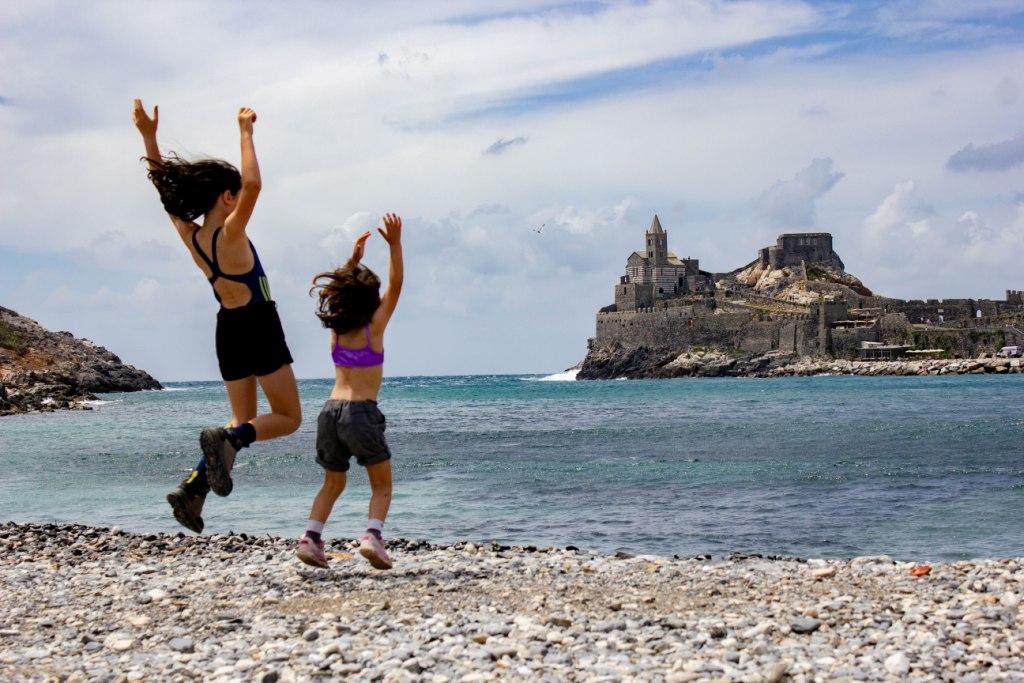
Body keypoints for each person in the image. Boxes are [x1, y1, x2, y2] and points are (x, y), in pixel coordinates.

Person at [132, 99, 301, 534]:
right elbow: (255, 185)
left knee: (238, 419)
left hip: (227, 329)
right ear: (228, 197)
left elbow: (165, 195)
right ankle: (230, 441)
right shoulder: (230, 233)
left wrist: (149, 137)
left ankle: (193, 491)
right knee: (286, 418)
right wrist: (245, 131)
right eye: (237, 196)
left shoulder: (193, 237)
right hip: (259, 323)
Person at [297, 214, 403, 570]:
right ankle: (372, 537)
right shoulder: (375, 327)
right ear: (371, 300)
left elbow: (333, 291)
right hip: (361, 412)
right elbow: (397, 282)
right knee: (381, 485)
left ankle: (311, 539)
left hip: (329, 411)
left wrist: (353, 261)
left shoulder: (338, 331)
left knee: (332, 483)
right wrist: (394, 245)